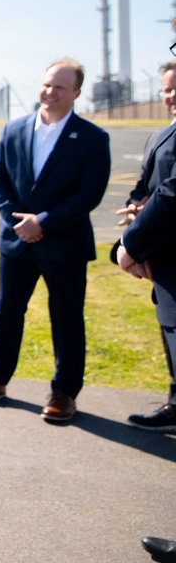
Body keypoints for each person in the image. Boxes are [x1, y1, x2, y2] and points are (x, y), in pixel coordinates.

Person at [0, 59, 110, 421]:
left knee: (67, 319)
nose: (50, 92)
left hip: (65, 244)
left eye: (61, 87)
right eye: (47, 84)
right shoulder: (15, 129)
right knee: (7, 314)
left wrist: (43, 222)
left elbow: (90, 194)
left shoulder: (94, 138)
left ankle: (64, 393)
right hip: (16, 241)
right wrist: (16, 220)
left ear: (77, 93)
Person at [112, 58, 176, 432]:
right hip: (162, 259)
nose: (169, 96)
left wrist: (132, 246)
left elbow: (171, 195)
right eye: (165, 89)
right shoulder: (158, 135)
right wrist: (136, 212)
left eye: (174, 89)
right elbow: (146, 188)